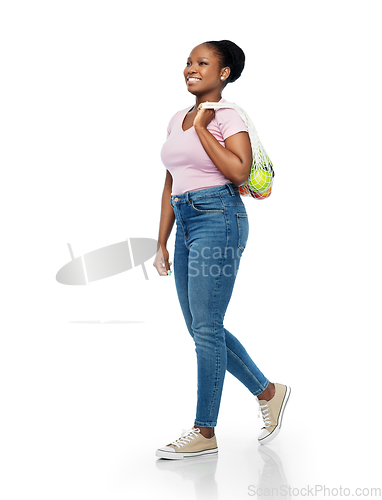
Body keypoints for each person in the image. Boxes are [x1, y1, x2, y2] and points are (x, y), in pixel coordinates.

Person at [153, 40, 291, 460]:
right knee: (201, 327)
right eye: (189, 62)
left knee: (207, 327)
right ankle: (269, 392)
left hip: (220, 218)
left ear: (224, 72)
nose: (191, 68)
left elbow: (238, 170)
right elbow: (171, 180)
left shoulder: (228, 116)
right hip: (187, 220)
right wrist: (161, 240)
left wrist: (202, 129)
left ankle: (204, 430)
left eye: (203, 63)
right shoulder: (178, 117)